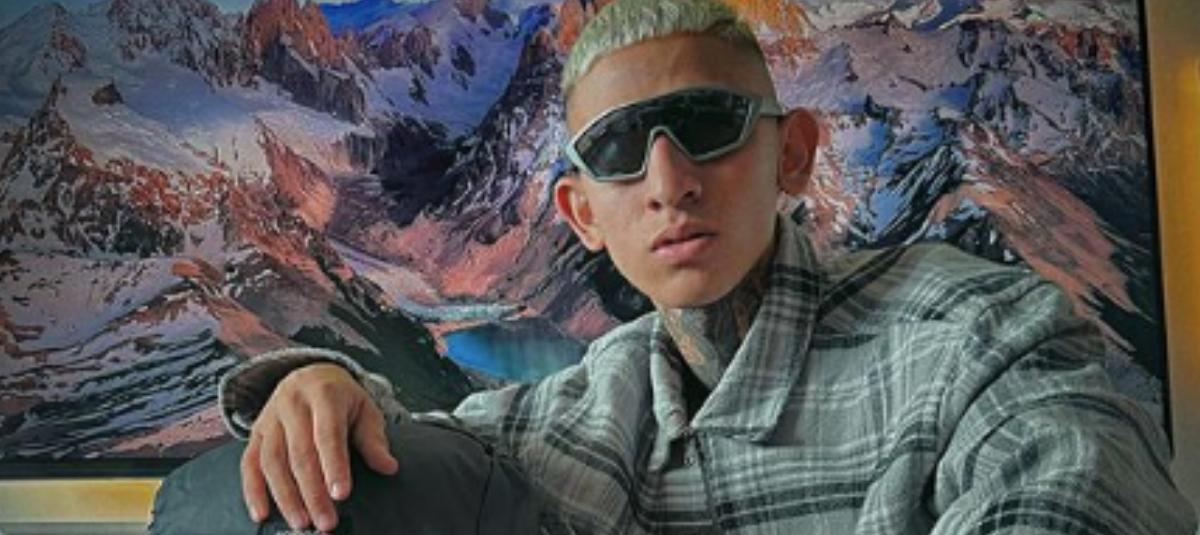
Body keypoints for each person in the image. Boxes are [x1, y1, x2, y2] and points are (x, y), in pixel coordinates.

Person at [218, 0, 1198, 532]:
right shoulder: (575, 411)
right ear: (582, 214)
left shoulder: (977, 340)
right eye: (618, 148)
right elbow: (421, 451)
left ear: (793, 155)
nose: (669, 181)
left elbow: (1072, 491)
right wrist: (325, 388)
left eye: (706, 124)